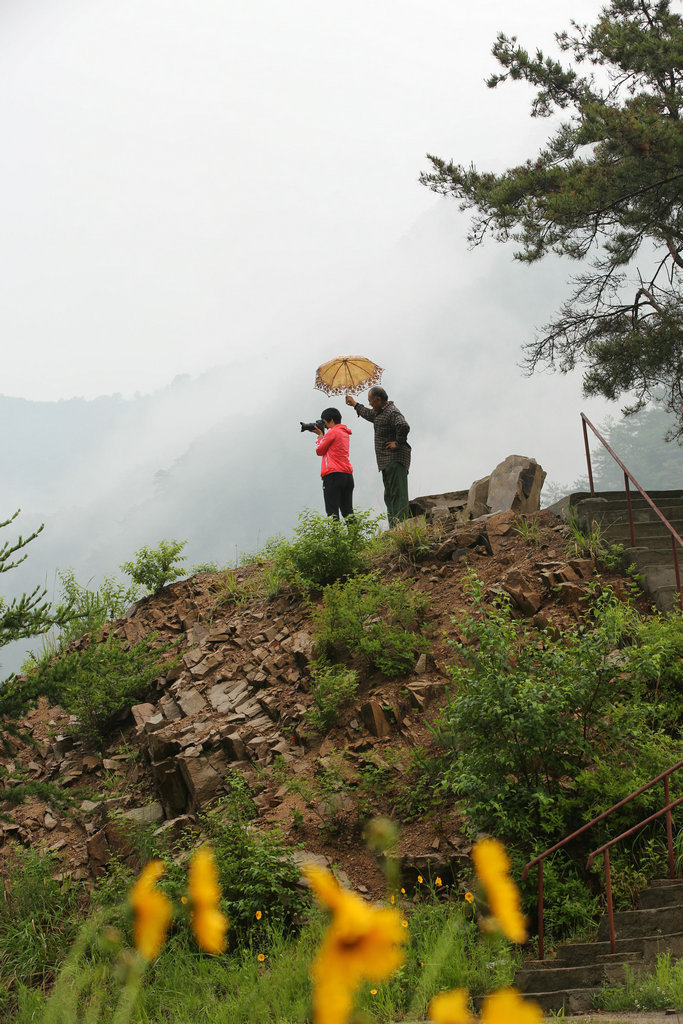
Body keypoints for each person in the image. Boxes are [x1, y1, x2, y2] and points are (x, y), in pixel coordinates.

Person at [345, 387, 411, 526]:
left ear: (378, 400)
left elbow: (403, 425)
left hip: (395, 459)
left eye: (370, 401)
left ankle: (403, 528)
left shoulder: (391, 412)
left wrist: (398, 443)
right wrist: (355, 404)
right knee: (390, 496)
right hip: (386, 462)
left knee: (398, 495)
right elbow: (369, 414)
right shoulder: (380, 413)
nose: (369, 404)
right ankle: (395, 528)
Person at [313, 408, 354, 519]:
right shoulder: (344, 432)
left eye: (324, 422)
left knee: (332, 512)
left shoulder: (332, 431)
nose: (324, 426)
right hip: (347, 475)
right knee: (348, 511)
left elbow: (319, 450)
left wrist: (320, 436)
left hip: (333, 476)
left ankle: (335, 536)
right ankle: (354, 535)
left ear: (330, 420)